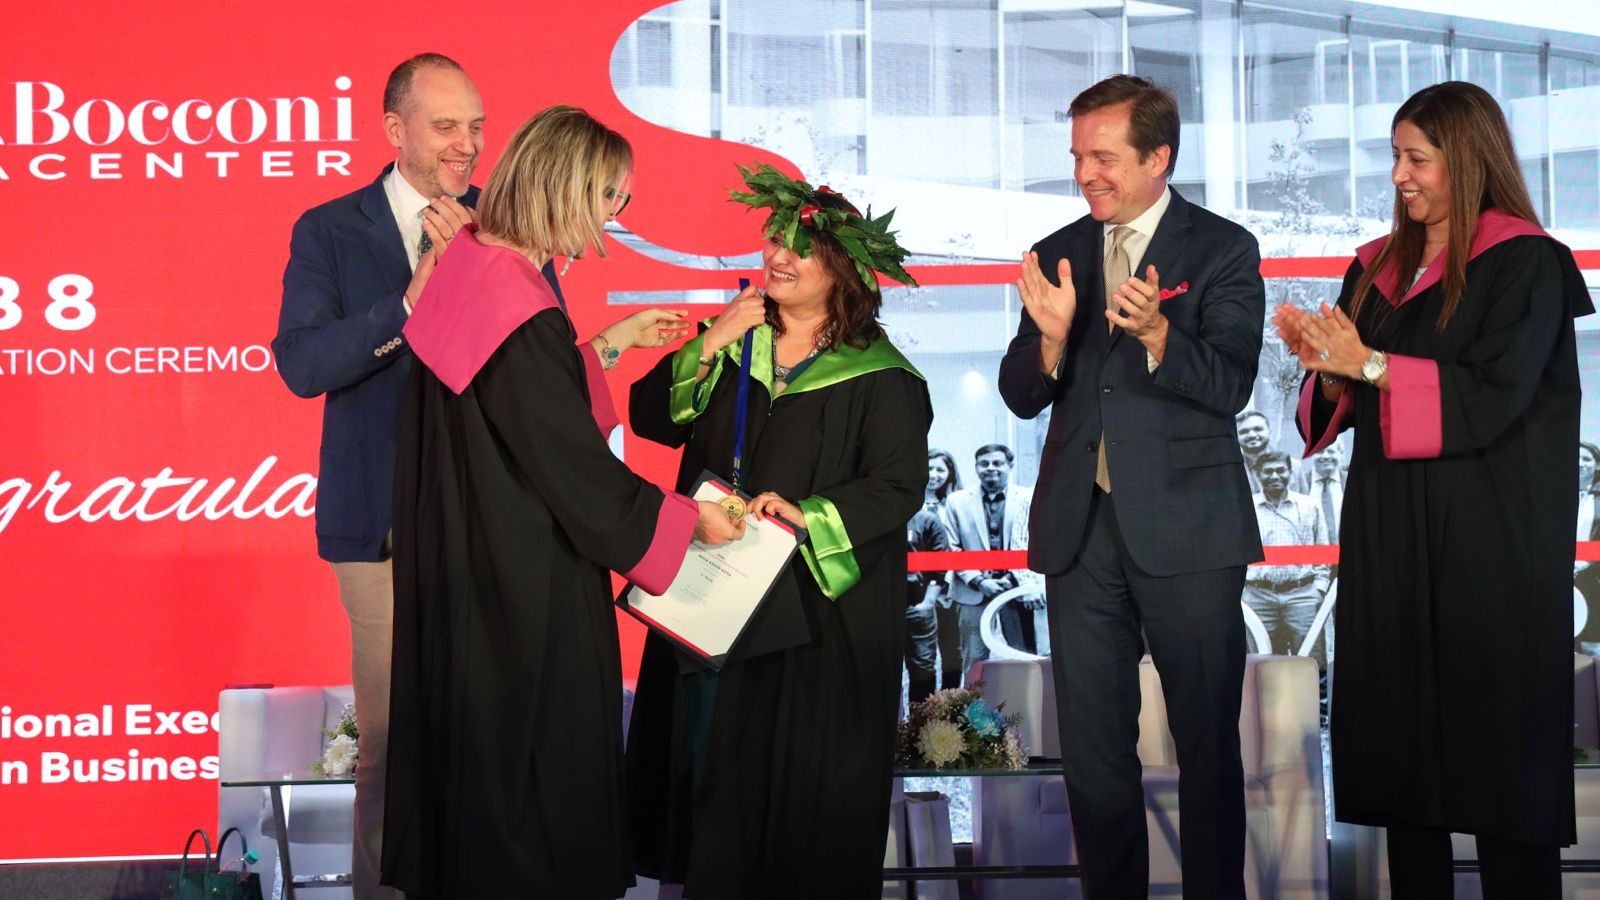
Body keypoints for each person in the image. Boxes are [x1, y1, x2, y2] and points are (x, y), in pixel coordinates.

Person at [272, 56, 687, 900]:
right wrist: (409, 304)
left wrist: (612, 343)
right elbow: (304, 364)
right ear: (395, 130)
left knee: (497, 746)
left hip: (495, 531)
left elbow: (534, 383)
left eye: (476, 126)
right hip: (387, 525)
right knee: (397, 748)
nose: (466, 145)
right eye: (445, 127)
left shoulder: (503, 225)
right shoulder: (332, 229)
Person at [378, 105, 745, 898]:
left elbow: (517, 408)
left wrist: (608, 344)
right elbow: (572, 470)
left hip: (469, 568)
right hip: (523, 586)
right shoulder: (518, 302)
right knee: (532, 799)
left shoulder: (475, 268)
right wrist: (687, 521)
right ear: (566, 188)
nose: (616, 215)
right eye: (611, 195)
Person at [1276, 80, 1588, 898]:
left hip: (1491, 543)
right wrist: (1327, 365)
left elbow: (1494, 394)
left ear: (1468, 159)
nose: (1398, 177)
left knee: (1499, 767)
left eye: (1417, 159)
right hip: (1392, 540)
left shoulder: (1526, 262)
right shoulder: (1377, 268)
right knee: (1405, 765)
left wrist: (1371, 363)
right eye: (1395, 157)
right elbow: (1339, 405)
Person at [626, 164, 930, 900]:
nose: (778, 257)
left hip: (813, 618)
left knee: (797, 786)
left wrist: (811, 514)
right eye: (773, 240)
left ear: (845, 271)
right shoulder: (735, 345)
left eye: (802, 248)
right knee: (707, 773)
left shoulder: (882, 377)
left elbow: (898, 486)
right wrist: (710, 340)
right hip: (716, 595)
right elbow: (650, 418)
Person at [997, 74, 1264, 900]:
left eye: (1104, 157)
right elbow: (1020, 393)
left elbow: (1231, 384)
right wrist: (1048, 344)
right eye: (1078, 156)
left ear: (1158, 158)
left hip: (1191, 531)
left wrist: (1157, 335)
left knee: (1207, 744)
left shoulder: (1222, 248)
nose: (1086, 173)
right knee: (1093, 753)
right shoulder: (1058, 250)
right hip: (1080, 531)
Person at [945, 444, 1038, 660]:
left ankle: (1025, 687)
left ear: (1010, 466)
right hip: (972, 592)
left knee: (1023, 656)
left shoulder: (1028, 498)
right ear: (976, 468)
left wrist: (1011, 576)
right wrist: (979, 581)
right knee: (974, 659)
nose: (990, 468)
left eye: (997, 463)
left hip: (1015, 587)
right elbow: (952, 548)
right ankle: (975, 688)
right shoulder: (956, 501)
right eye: (984, 464)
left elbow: (1034, 542)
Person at [1243, 450, 1330, 660]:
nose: (1275, 476)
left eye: (1281, 470)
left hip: (1303, 596)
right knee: (1260, 662)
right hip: (1258, 598)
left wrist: (1319, 589)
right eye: (1268, 471)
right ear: (1257, 474)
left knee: (1310, 661)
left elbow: (1323, 551)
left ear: (1290, 473)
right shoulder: (1247, 508)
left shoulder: (1309, 506)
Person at [924, 448, 965, 689]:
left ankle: (948, 703)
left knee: (952, 650)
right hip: (917, 590)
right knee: (921, 655)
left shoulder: (956, 504)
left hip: (951, 590)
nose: (934, 474)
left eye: (940, 469)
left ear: (950, 473)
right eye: (929, 468)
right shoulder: (909, 504)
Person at [905, 504, 952, 705]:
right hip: (883, 608)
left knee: (922, 670)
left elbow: (941, 561)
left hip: (917, 605)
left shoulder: (926, 520)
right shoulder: (875, 517)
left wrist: (928, 601)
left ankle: (920, 722)